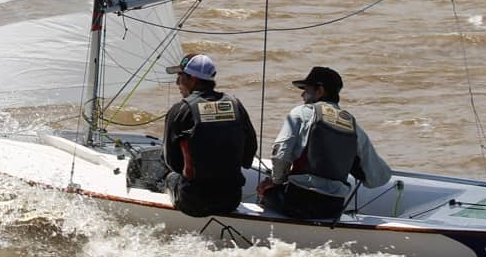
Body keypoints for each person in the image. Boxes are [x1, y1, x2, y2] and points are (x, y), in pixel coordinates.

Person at [258, 66, 391, 219]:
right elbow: (378, 178)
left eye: (306, 89)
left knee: (265, 189)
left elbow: (280, 154)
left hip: (297, 202)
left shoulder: (301, 112)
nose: (302, 94)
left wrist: (276, 181)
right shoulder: (353, 126)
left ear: (320, 91)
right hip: (332, 208)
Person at [161, 54, 258, 217]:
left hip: (193, 203)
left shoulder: (180, 110)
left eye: (180, 76)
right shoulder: (235, 104)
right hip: (231, 200)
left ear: (192, 79)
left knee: (169, 177)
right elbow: (250, 151)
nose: (177, 82)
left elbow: (172, 163)